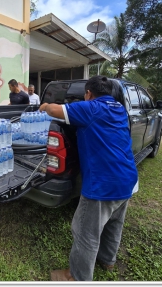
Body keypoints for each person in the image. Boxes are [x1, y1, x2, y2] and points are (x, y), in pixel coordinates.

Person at [39, 75, 138, 281]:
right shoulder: (119, 109)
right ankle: (107, 260)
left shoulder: (90, 108)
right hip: (127, 178)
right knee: (113, 224)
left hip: (103, 184)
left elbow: (55, 110)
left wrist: (45, 105)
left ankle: (77, 276)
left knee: (85, 231)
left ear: (89, 94)